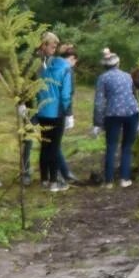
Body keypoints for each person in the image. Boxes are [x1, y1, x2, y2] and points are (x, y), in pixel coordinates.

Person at [92, 50, 139, 188]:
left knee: (111, 146)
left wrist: (97, 122)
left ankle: (108, 181)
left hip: (113, 113)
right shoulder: (127, 76)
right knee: (127, 146)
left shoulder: (103, 78)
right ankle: (125, 179)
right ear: (118, 63)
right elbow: (134, 95)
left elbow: (99, 102)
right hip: (132, 111)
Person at [32, 33, 72, 191]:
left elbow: (33, 90)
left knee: (45, 146)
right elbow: (66, 93)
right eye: (52, 46)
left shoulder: (38, 66)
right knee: (54, 147)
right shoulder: (63, 66)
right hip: (56, 112)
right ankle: (54, 182)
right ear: (44, 45)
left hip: (42, 112)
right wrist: (68, 112)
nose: (54, 49)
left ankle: (43, 180)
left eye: (56, 47)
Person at [56, 44, 81, 184]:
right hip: (59, 111)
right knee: (54, 143)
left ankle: (63, 172)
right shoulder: (68, 70)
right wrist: (69, 114)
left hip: (48, 108)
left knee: (52, 143)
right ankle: (63, 173)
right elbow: (67, 95)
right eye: (75, 61)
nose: (75, 64)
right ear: (71, 58)